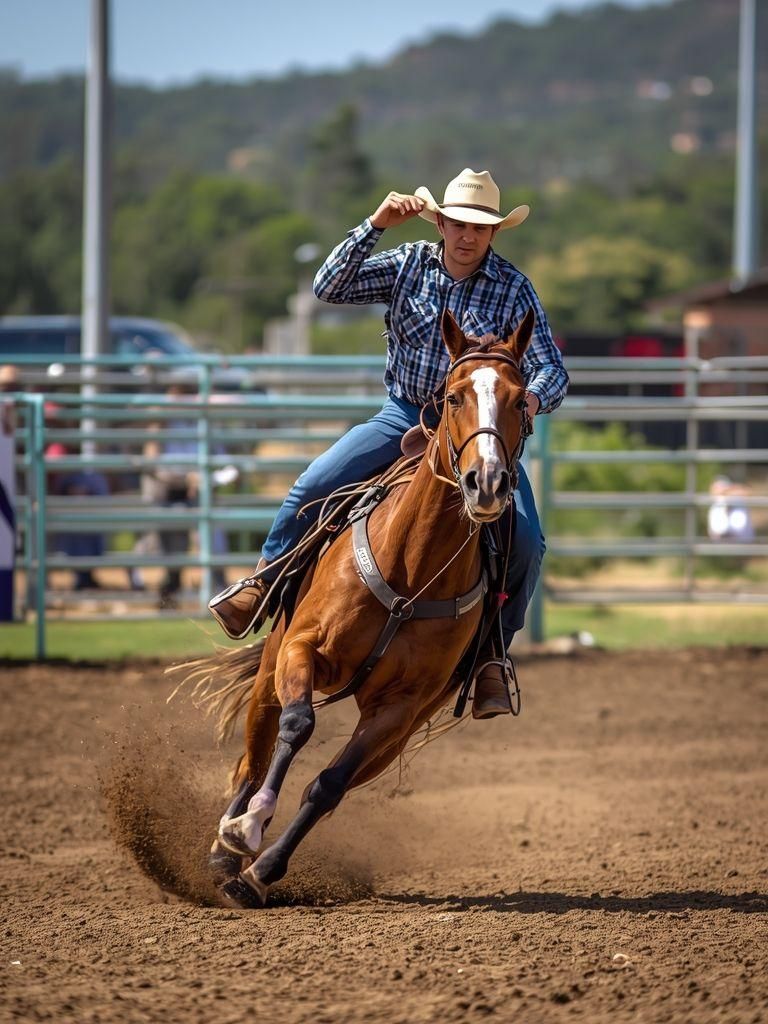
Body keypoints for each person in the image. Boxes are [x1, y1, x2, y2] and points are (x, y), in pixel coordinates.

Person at [209, 168, 569, 717]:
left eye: (480, 227)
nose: (467, 235)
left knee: (526, 542)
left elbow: (551, 368)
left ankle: (493, 654)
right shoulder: (409, 265)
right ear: (441, 223)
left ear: (494, 233)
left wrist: (527, 400)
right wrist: (375, 224)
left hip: (479, 430)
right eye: (457, 223)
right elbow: (328, 286)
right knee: (315, 483)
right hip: (404, 418)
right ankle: (262, 584)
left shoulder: (514, 288)